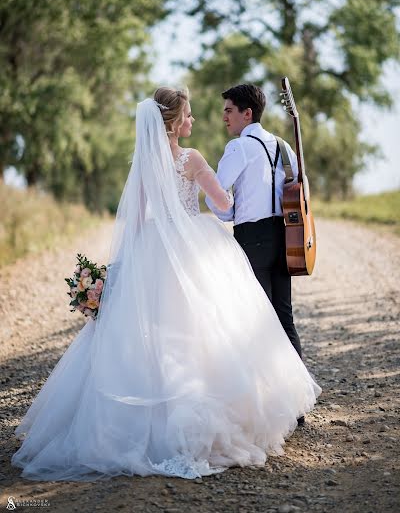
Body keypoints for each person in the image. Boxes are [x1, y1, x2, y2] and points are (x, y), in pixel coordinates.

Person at [11, 87, 320, 482]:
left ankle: (142, 423)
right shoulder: (193, 159)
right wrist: (233, 196)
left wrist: (128, 263)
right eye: (188, 115)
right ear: (175, 123)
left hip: (154, 246)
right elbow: (223, 205)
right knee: (207, 327)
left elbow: (136, 220)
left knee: (157, 333)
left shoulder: (143, 164)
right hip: (193, 244)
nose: (193, 121)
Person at [205, 84, 304, 419]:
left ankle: (266, 409)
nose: (224, 117)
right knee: (283, 316)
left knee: (254, 321)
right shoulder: (284, 146)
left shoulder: (239, 147)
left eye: (229, 110)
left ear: (247, 113)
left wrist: (229, 214)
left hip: (253, 238)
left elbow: (216, 194)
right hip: (286, 237)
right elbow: (299, 195)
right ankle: (297, 405)